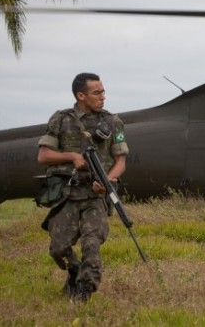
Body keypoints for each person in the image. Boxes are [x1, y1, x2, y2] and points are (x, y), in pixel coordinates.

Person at [37, 73, 129, 303]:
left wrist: (106, 182)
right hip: (68, 194)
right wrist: (71, 156)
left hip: (95, 195)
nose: (103, 97)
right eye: (97, 93)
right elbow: (43, 155)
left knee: (92, 242)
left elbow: (121, 162)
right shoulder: (61, 119)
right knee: (58, 249)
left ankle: (84, 290)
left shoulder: (112, 122)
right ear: (81, 95)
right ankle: (74, 270)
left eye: (103, 91)